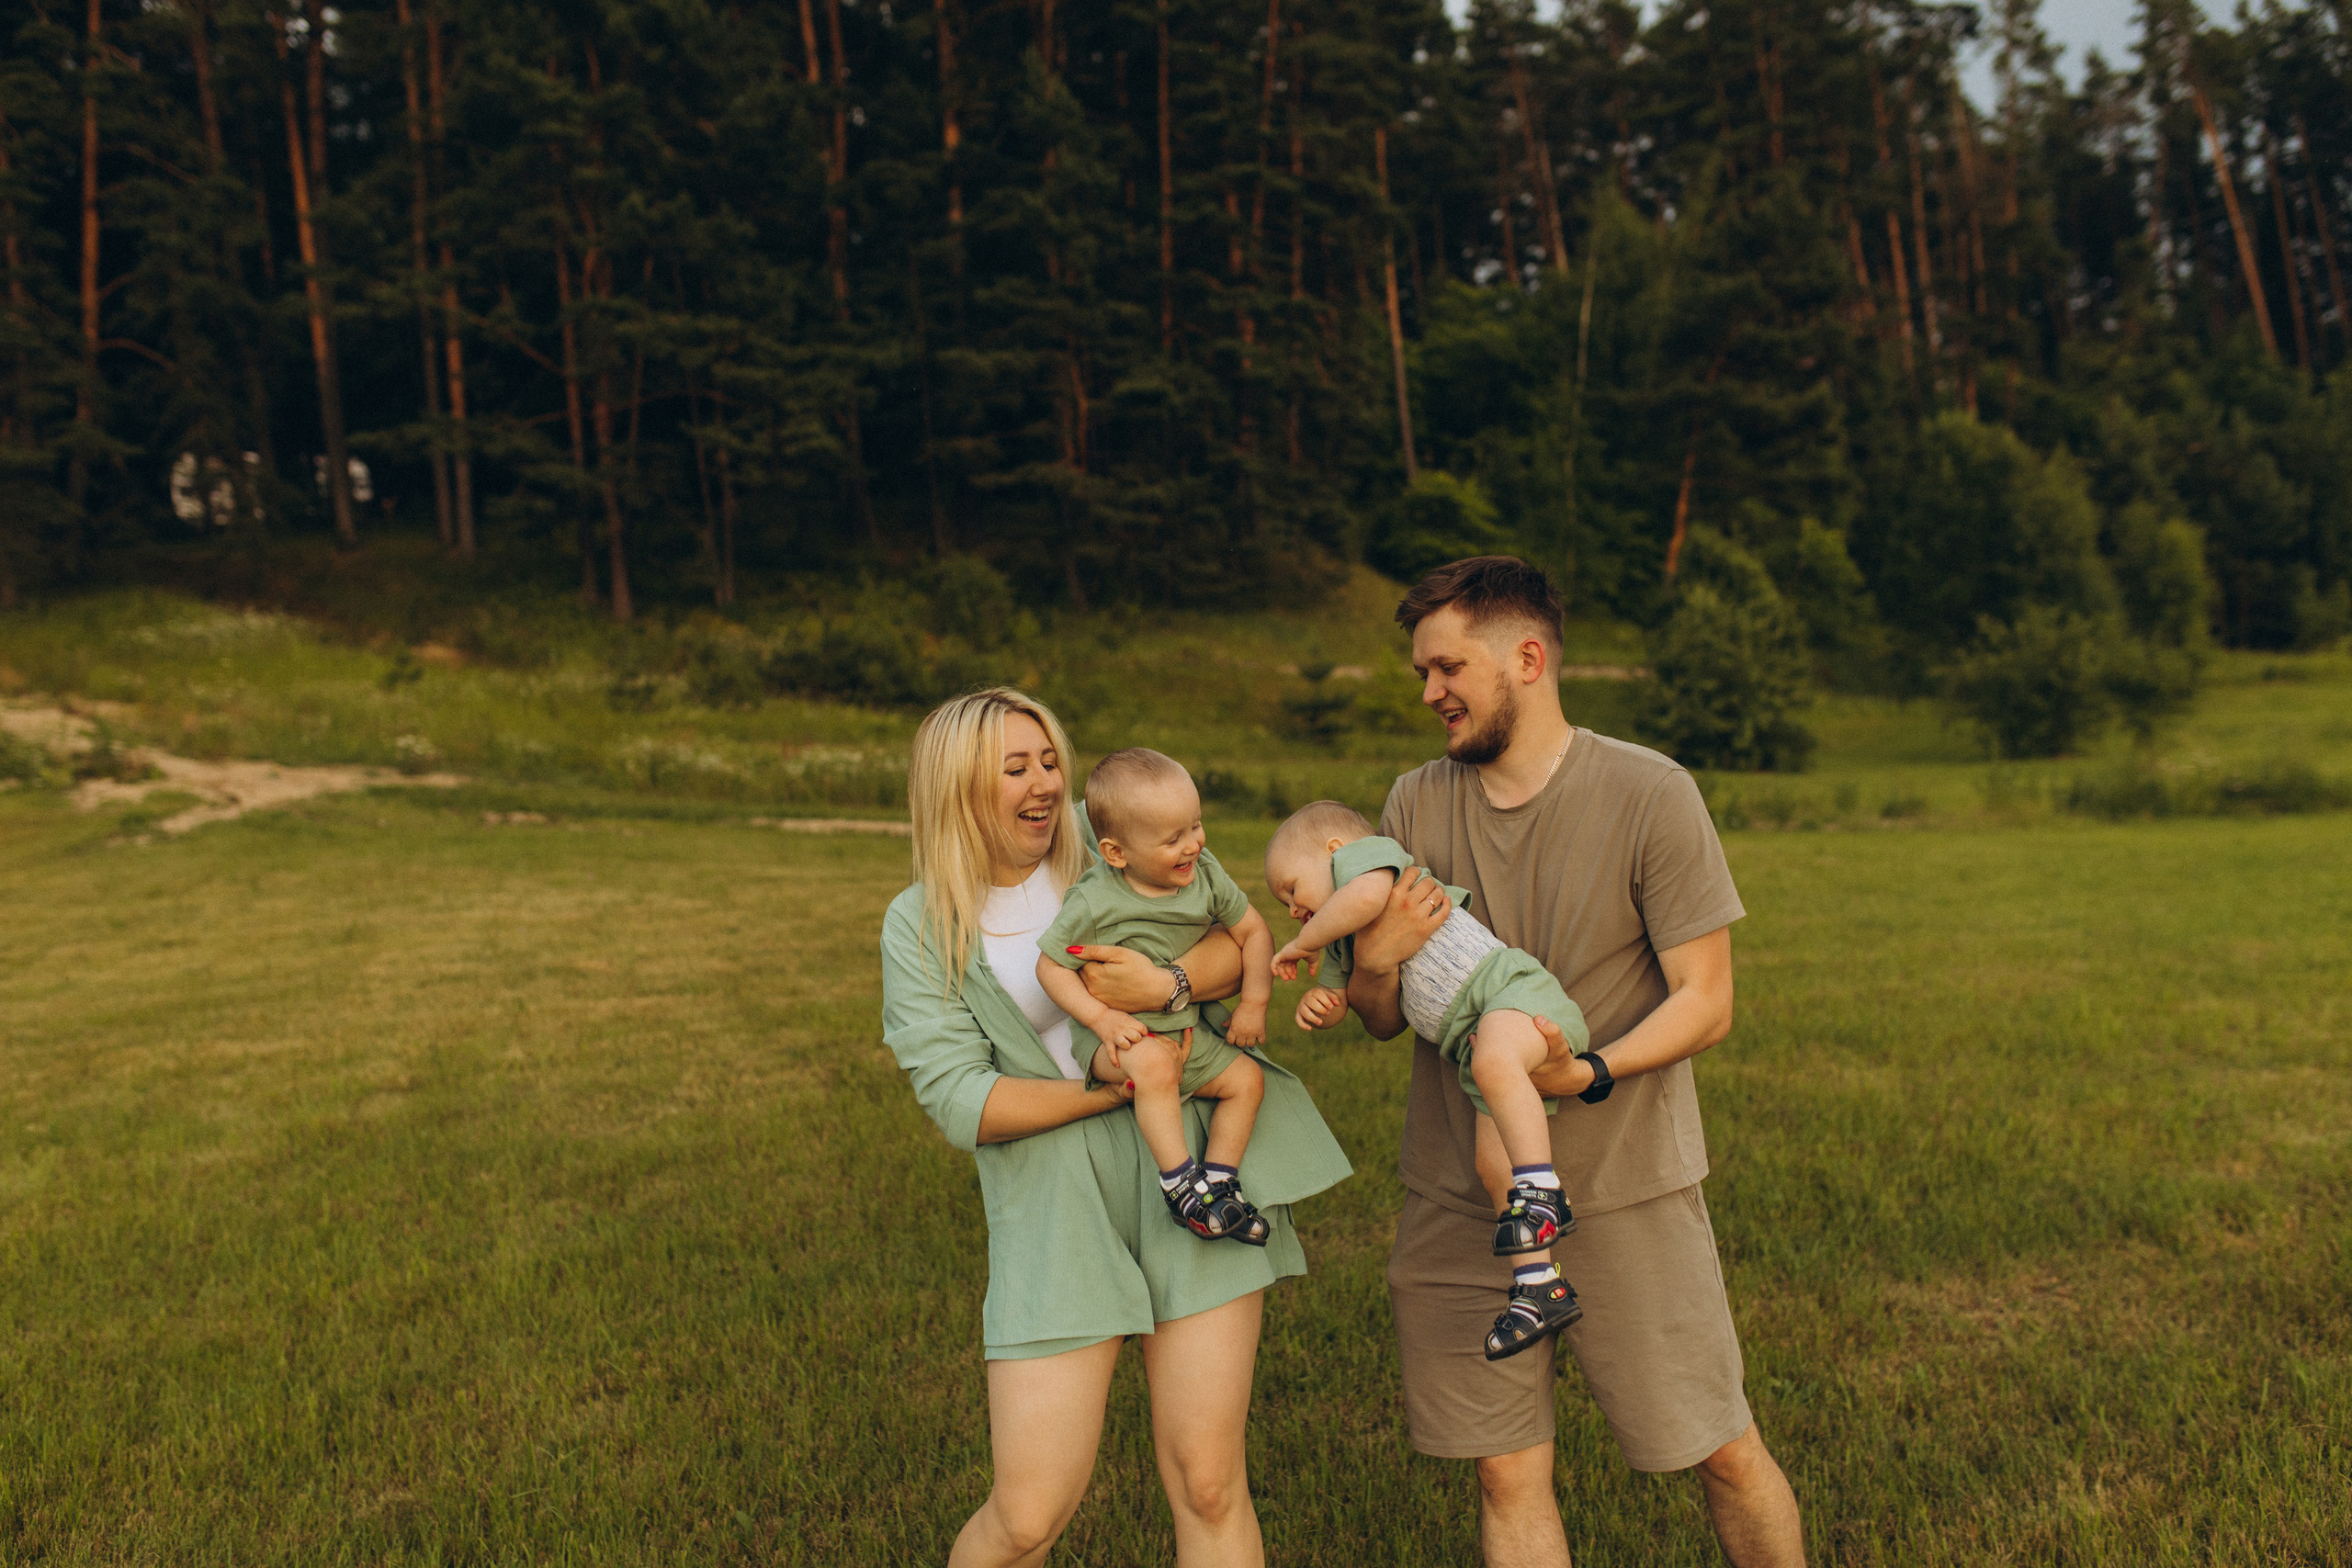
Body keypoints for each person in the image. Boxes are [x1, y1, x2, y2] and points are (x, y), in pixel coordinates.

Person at [1344, 558, 1806, 1568]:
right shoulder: (1413, 804)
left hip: (1624, 1186)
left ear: (1527, 656)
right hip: (1460, 1197)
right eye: (1420, 673)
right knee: (1505, 1471)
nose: (1428, 694)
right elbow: (1380, 1018)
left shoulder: (1650, 792)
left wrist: (1586, 1074)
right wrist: (1373, 964)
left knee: (1718, 1448)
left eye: (1445, 668)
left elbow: (1706, 1001)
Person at [878, 688, 1351, 1568]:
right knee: (1027, 1514)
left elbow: (1229, 942)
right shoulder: (920, 924)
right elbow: (966, 1104)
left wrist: (1169, 989)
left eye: (1049, 760)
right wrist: (1131, 1084)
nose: (1042, 783)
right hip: (1054, 1198)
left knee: (1210, 1482)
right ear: (956, 787)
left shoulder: (1114, 860)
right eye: (1013, 767)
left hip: (1201, 1174)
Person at [1263, 800, 1590, 1360]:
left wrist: (1305, 941)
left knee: (1495, 1072)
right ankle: (1539, 1288)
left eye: (1293, 890)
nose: (1294, 909)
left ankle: (1543, 1192)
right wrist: (1324, 1003)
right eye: (1287, 906)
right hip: (1477, 1043)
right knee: (1494, 1165)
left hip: (1510, 994)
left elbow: (1364, 901)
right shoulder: (1342, 940)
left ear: (1335, 853)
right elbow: (1353, 1001)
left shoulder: (1371, 868)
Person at [1035, 750, 1280, 1246]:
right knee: (1152, 1065)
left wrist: (1254, 1003)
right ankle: (1179, 1185)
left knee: (1246, 1079)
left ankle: (1219, 1183)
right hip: (1118, 1044)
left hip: (1184, 1031)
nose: (1193, 844)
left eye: (1195, 825)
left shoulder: (1206, 876)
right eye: (1173, 838)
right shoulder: (1095, 898)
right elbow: (1051, 966)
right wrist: (1101, 1019)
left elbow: (1253, 931)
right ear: (1116, 854)